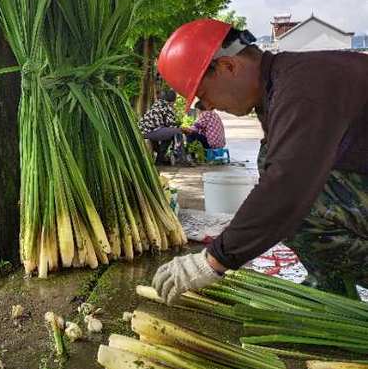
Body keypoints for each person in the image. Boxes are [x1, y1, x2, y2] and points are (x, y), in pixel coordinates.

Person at [151, 18, 368, 303]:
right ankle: (332, 282)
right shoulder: (279, 84)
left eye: (203, 97)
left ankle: (336, 283)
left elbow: (287, 186)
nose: (210, 107)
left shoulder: (303, 88)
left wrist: (214, 260)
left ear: (229, 66)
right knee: (272, 163)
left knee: (295, 200)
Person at [138, 90, 185, 164]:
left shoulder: (157, 104)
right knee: (177, 131)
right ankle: (182, 158)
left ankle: (160, 160)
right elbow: (171, 124)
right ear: (173, 100)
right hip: (150, 131)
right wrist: (182, 128)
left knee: (168, 136)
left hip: (144, 130)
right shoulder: (167, 106)